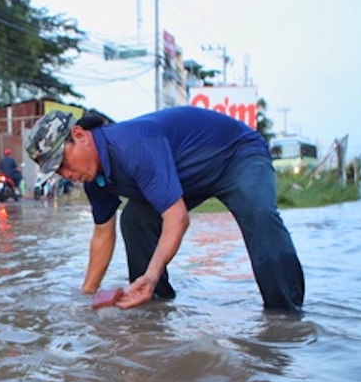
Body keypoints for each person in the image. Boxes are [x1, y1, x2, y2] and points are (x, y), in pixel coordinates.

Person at [24, 107, 304, 312]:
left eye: (62, 162)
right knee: (134, 220)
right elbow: (102, 236)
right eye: (56, 170)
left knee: (258, 213)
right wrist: (86, 297)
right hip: (186, 176)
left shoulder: (133, 146)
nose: (64, 174)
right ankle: (152, 305)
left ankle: (286, 315)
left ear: (79, 135)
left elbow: (177, 219)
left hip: (236, 155)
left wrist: (152, 271)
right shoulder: (94, 180)